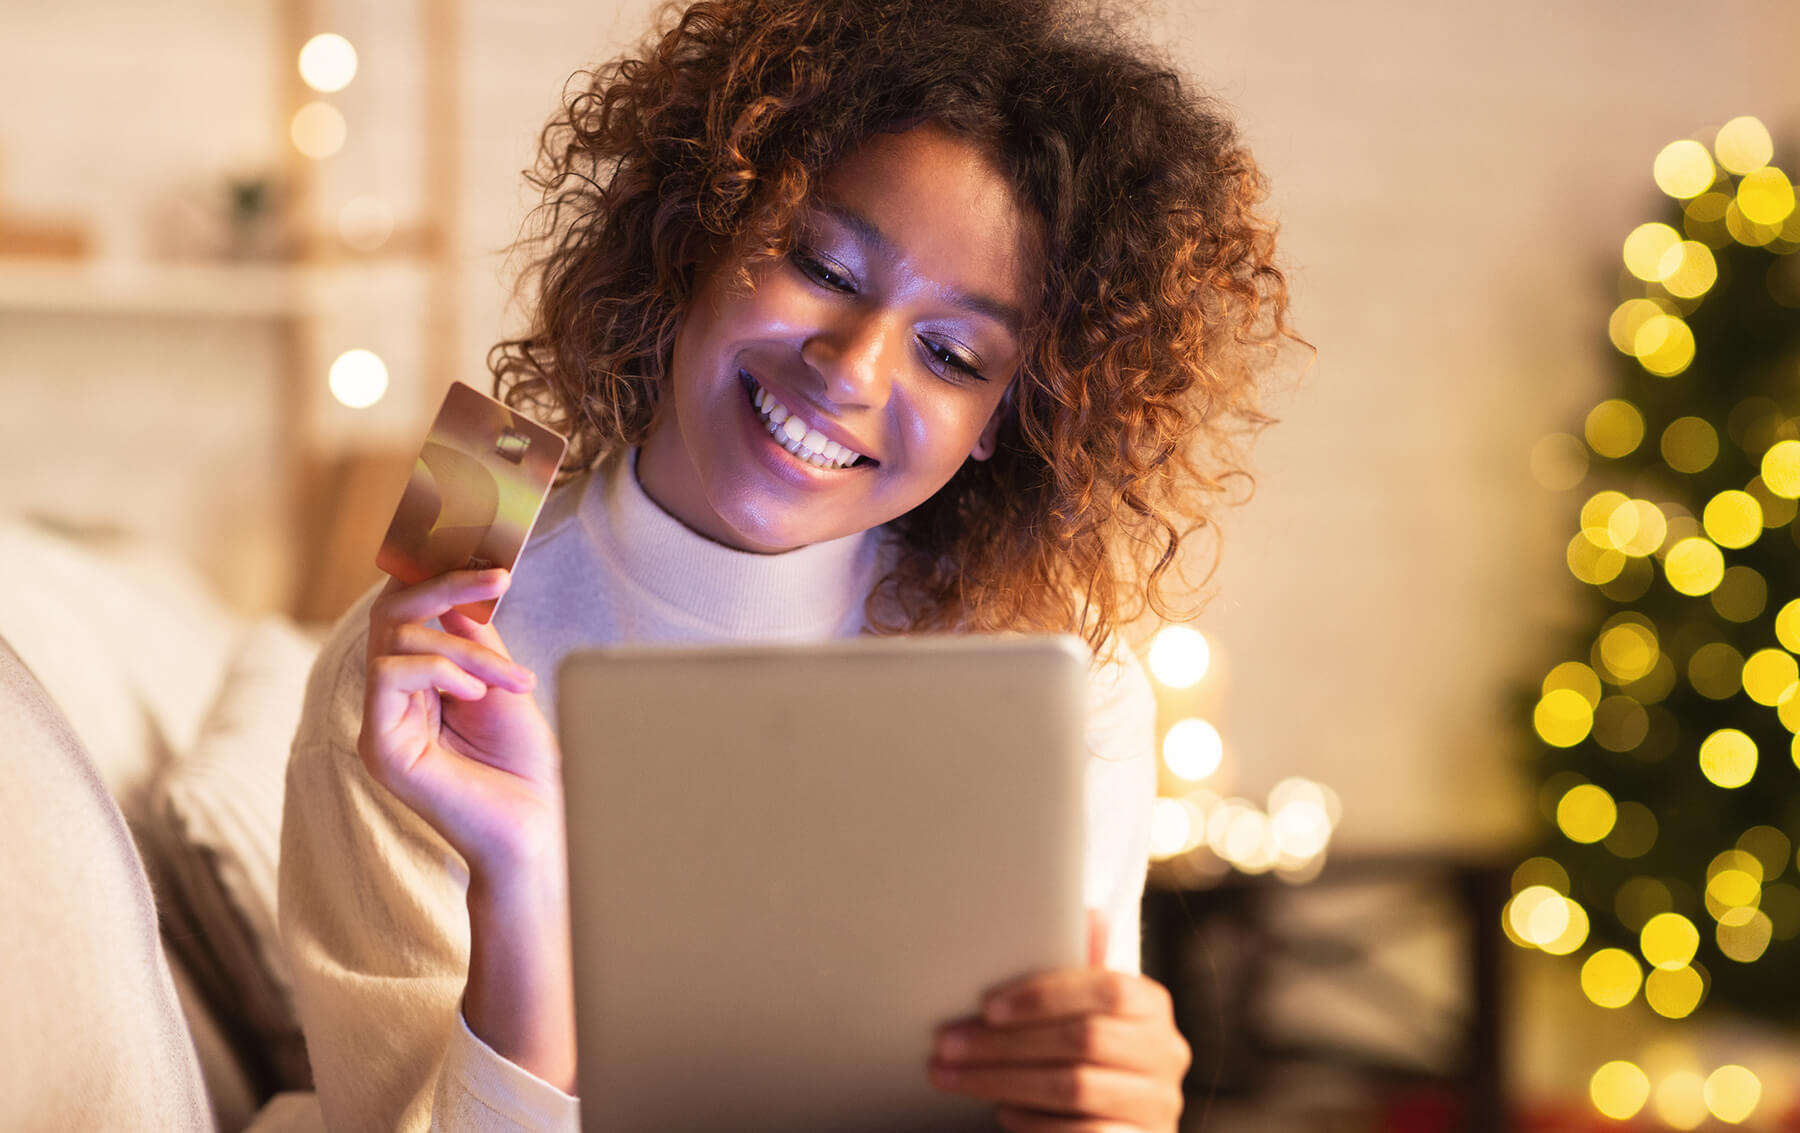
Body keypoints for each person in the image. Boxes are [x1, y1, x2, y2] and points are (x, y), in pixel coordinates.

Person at [278, 0, 1294, 1129]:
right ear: (701, 224)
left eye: (954, 352)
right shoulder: (421, 679)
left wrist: (1104, 1114)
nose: (852, 368)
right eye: (823, 263)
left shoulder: (1060, 693)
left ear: (1005, 418)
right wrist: (523, 884)